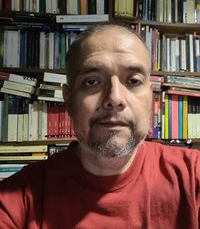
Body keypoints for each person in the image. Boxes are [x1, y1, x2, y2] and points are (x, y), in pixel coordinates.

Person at [0, 24, 199, 229]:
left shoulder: (193, 176)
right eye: (92, 81)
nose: (114, 98)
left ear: (152, 99)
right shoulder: (18, 198)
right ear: (68, 100)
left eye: (133, 80)